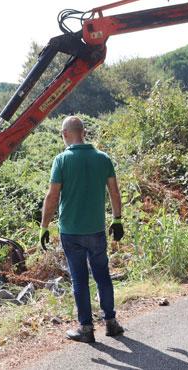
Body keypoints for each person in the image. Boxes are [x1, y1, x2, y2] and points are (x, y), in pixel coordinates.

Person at [40, 115, 125, 343]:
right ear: (84, 133)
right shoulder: (103, 158)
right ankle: (111, 322)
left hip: (71, 231)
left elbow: (52, 196)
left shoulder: (61, 160)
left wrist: (44, 226)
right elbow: (114, 192)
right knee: (102, 276)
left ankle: (86, 329)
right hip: (96, 229)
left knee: (79, 279)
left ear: (65, 134)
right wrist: (117, 219)